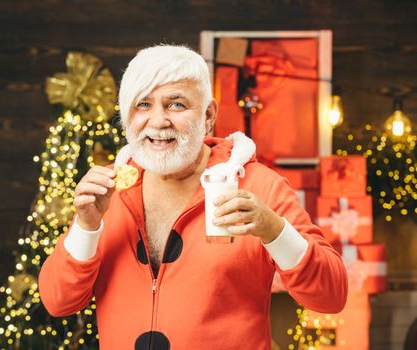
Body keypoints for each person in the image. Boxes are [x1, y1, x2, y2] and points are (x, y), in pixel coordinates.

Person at [38, 44, 348, 350]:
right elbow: (58, 301)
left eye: (176, 105)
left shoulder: (257, 186)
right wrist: (86, 226)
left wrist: (274, 230)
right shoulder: (109, 189)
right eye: (143, 105)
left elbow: (331, 296)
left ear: (209, 114)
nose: (158, 121)